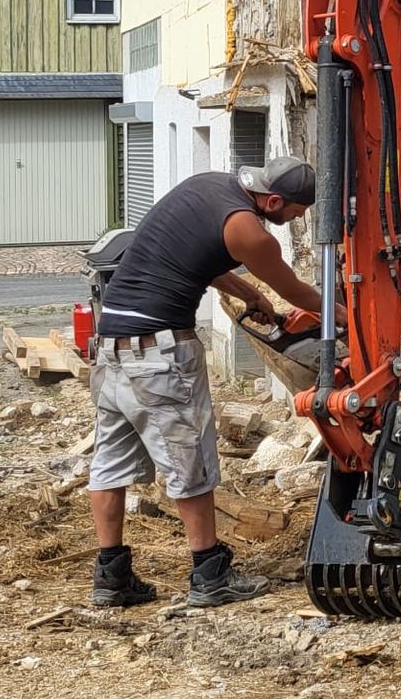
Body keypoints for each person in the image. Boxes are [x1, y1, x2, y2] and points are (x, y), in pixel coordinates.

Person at [88, 155, 325, 608]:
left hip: (110, 346)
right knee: (190, 461)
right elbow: (295, 292)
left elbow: (193, 258)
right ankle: (209, 575)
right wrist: (345, 314)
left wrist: (249, 293)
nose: (295, 221)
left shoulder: (208, 187)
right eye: (295, 213)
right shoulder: (250, 231)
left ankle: (111, 577)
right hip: (159, 355)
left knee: (109, 464)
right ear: (273, 200)